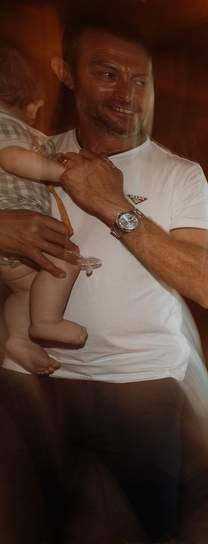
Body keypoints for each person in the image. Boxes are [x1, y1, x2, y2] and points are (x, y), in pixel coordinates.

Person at [0, 15, 208, 544]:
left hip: (138, 380)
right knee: (15, 542)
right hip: (28, 376)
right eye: (107, 74)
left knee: (147, 538)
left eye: (141, 79)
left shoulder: (179, 174)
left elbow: (206, 285)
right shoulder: (26, 150)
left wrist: (115, 207)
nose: (128, 92)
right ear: (66, 75)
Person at [0, 44, 86, 375]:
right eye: (37, 104)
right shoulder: (7, 125)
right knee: (66, 259)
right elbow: (12, 158)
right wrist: (62, 174)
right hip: (19, 222)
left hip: (10, 249)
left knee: (25, 290)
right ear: (28, 100)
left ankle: (20, 339)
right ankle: (47, 322)